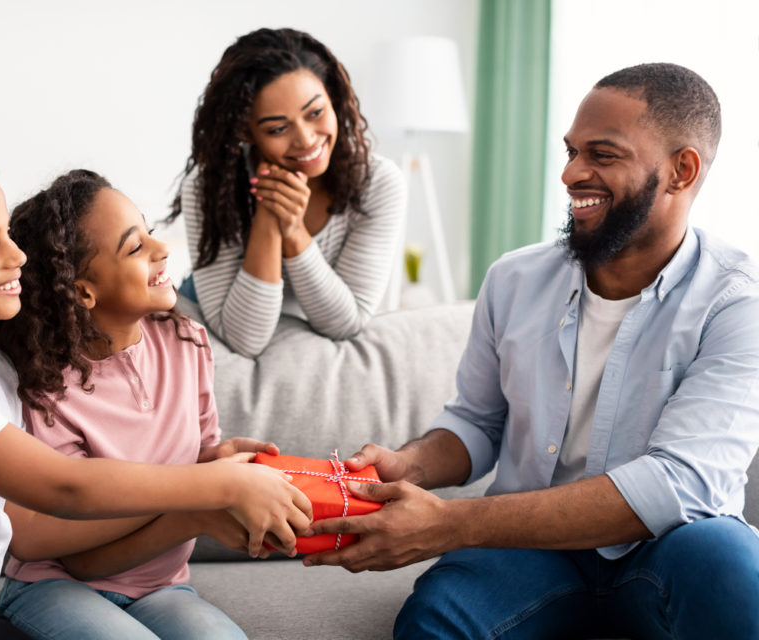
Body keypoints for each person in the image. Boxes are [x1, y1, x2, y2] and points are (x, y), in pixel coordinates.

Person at [302, 63, 759, 638]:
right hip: (526, 551)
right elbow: (476, 422)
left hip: (664, 552)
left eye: (602, 154)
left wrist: (451, 524)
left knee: (731, 564)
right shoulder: (514, 279)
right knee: (435, 621)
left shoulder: (737, 303)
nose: (571, 174)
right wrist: (412, 464)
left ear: (681, 171)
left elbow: (678, 484)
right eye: (570, 152)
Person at [0, 140, 312, 640]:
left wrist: (212, 468)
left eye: (7, 234)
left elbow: (32, 514)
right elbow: (64, 487)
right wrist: (220, 484)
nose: (18, 255)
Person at [0, 169, 275, 640]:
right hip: (54, 586)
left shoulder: (187, 343)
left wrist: (217, 463)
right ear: (82, 291)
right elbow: (81, 560)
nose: (162, 250)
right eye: (135, 248)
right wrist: (201, 493)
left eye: (150, 234)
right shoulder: (44, 386)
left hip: (162, 588)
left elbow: (197, 462)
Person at [169, 27, 407, 358]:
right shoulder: (207, 187)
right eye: (278, 129)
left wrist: (294, 232)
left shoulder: (378, 183)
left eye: (315, 113)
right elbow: (244, 338)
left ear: (333, 99)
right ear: (247, 131)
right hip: (212, 310)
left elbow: (346, 322)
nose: (307, 139)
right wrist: (269, 214)